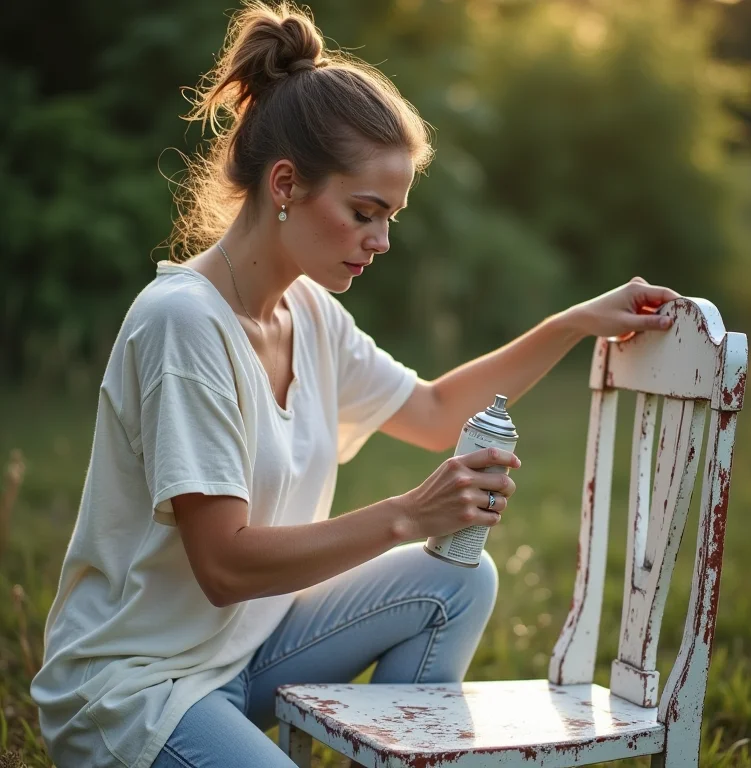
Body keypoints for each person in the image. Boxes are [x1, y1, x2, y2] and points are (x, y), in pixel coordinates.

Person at [30, 3, 681, 767]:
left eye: (391, 217)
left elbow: (437, 412)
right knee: (425, 552)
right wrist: (409, 513)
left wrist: (570, 323)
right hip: (136, 689)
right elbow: (224, 565)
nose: (382, 241)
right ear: (285, 184)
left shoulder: (306, 309)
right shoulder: (183, 324)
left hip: (242, 658)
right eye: (365, 213)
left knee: (457, 582)